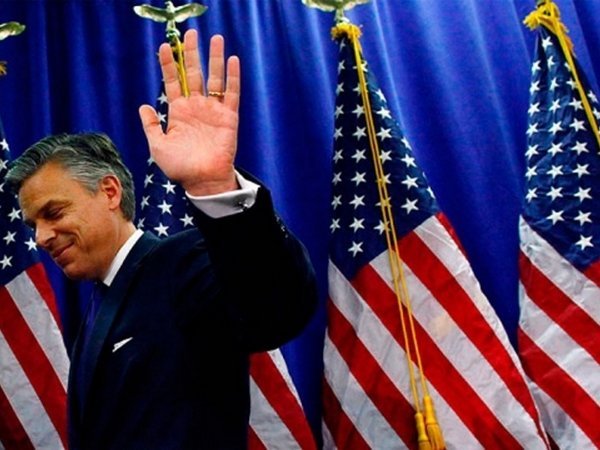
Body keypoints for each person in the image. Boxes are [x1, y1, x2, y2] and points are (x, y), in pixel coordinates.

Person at [6, 30, 317, 449]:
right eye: (33, 225)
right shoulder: (100, 301)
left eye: (54, 213)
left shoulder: (181, 263)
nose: (42, 237)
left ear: (109, 192)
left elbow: (275, 309)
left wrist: (214, 186)